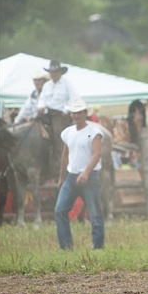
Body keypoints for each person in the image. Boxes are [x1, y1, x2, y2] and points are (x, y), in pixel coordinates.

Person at [54, 98, 104, 250]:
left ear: (85, 113)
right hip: (72, 175)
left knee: (94, 212)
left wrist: (86, 172)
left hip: (89, 177)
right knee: (60, 210)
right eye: (74, 113)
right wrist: (61, 178)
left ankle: (98, 247)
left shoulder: (92, 132)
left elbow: (96, 154)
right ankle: (66, 246)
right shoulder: (68, 132)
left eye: (79, 113)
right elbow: (65, 155)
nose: (76, 116)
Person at [37, 60, 78, 171]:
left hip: (59, 115)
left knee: (58, 134)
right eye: (51, 72)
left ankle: (62, 159)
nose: (53, 74)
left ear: (60, 72)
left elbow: (73, 97)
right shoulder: (46, 85)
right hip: (46, 114)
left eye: (55, 72)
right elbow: (42, 99)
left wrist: (66, 110)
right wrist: (41, 106)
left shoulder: (67, 84)